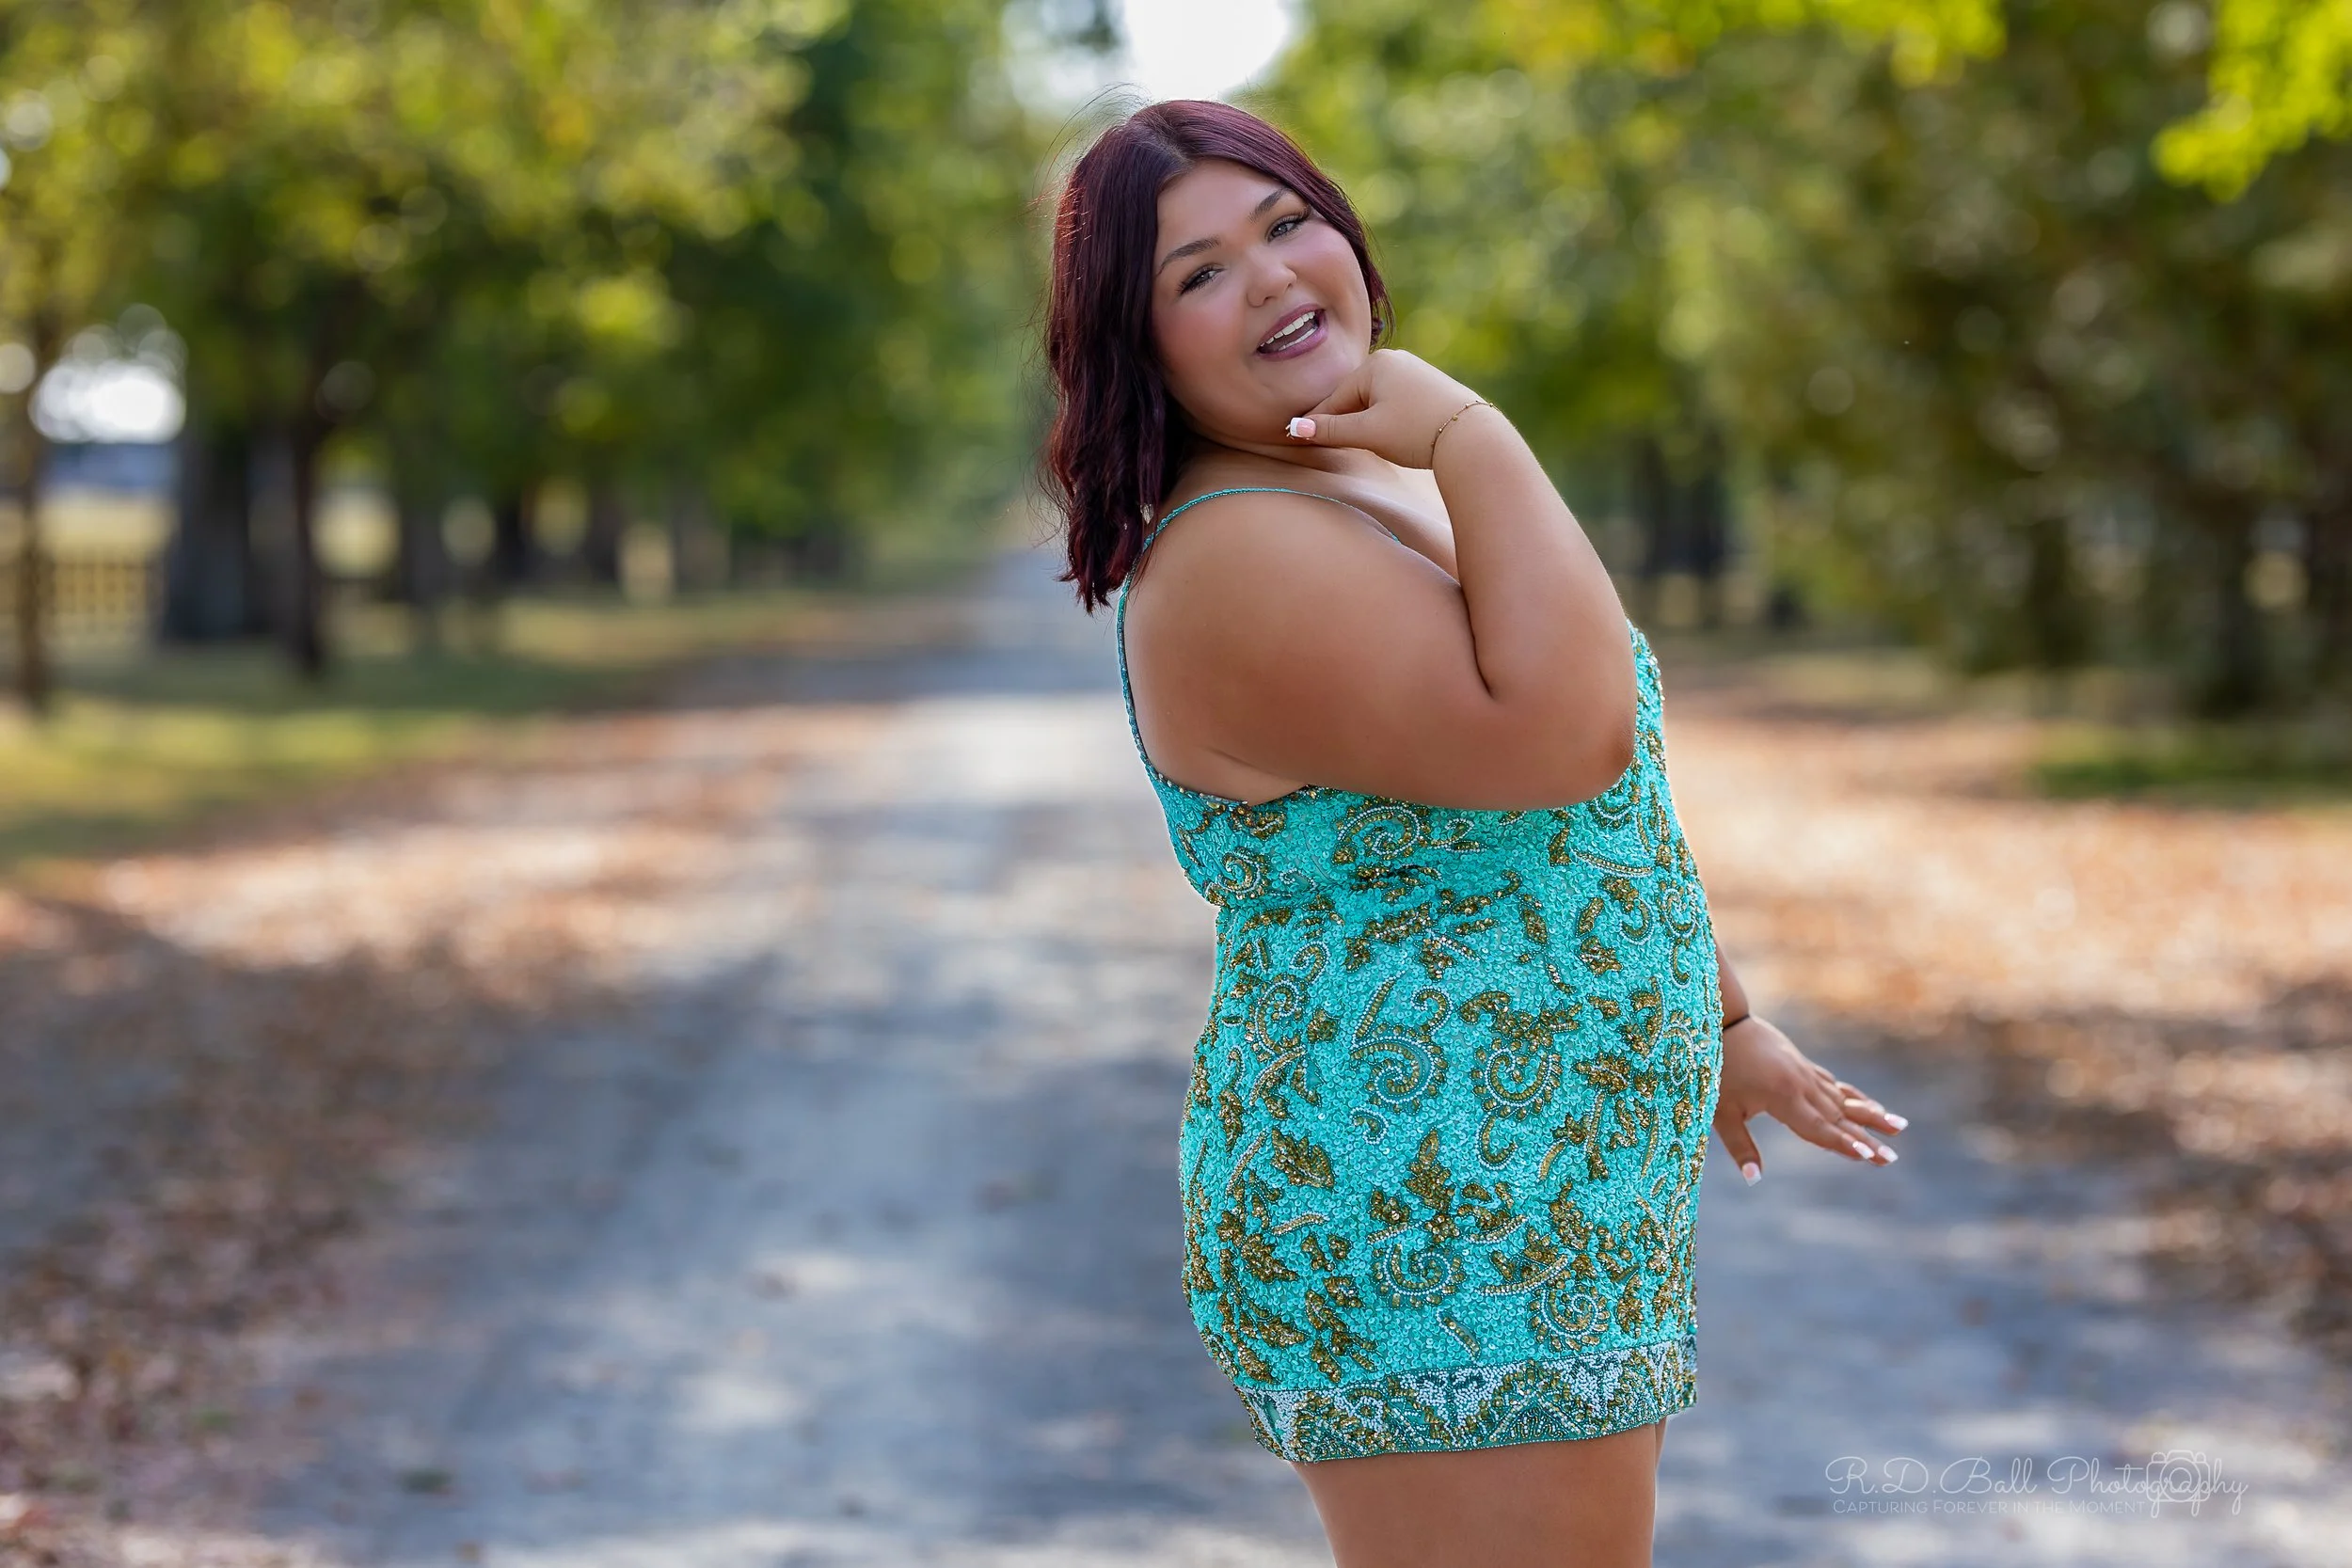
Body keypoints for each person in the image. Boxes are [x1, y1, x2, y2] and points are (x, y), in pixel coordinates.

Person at [1038, 99, 1908, 1568]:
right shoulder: (1241, 547)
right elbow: (1566, 740)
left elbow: (1567, 830)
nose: (1267, 277)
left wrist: (1723, 1006)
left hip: (1530, 1184)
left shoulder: (1347, 477)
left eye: (1285, 222)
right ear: (1144, 350)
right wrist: (1476, 433)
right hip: (1434, 1202)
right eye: (1195, 274)